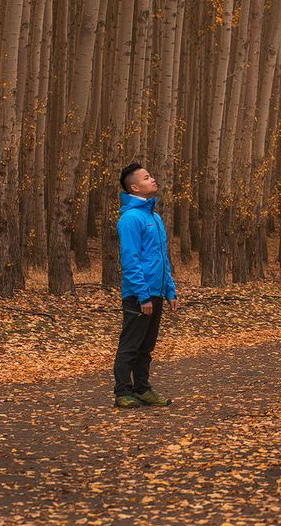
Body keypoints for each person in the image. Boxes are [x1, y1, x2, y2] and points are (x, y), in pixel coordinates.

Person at [113, 162, 178, 409]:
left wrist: (169, 291)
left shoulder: (155, 217)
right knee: (130, 345)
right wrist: (142, 295)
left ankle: (142, 389)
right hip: (139, 295)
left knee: (146, 347)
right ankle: (122, 392)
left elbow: (162, 257)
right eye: (147, 177)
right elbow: (131, 261)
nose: (153, 180)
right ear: (134, 186)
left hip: (156, 292)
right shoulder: (130, 219)